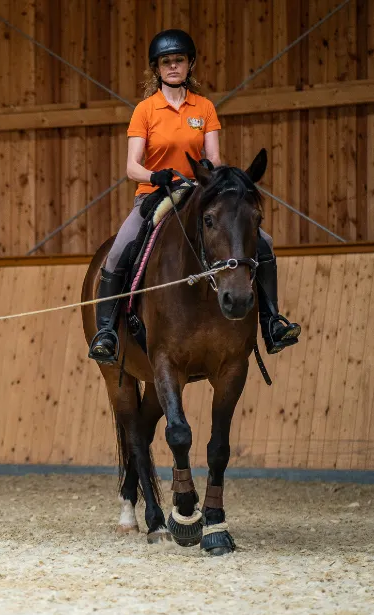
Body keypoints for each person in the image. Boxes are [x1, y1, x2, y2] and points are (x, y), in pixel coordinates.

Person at [87, 29, 301, 364]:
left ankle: (272, 322)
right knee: (117, 252)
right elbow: (132, 166)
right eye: (166, 62)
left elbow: (214, 157)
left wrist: (211, 173)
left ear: (189, 65)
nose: (173, 66)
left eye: (179, 60)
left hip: (198, 192)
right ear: (156, 69)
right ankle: (106, 333)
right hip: (155, 194)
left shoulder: (204, 107)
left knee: (264, 242)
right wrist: (154, 175)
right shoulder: (145, 110)